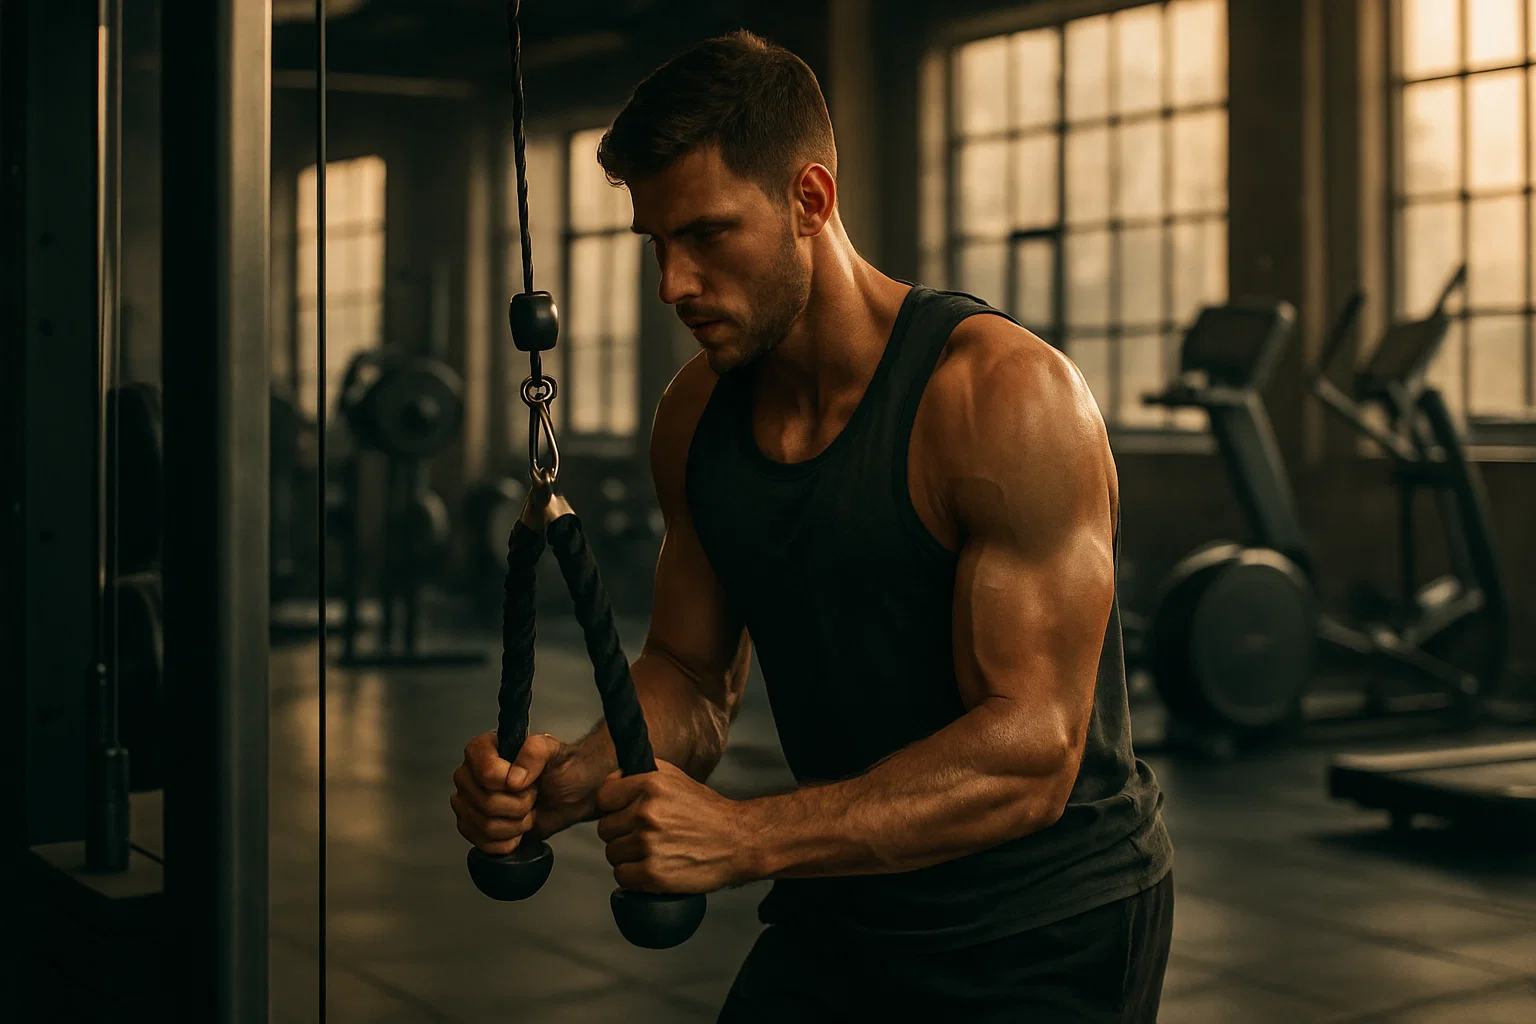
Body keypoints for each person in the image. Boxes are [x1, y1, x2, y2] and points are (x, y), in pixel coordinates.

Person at [451, 29, 1173, 1022]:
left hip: (1042, 922)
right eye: (657, 243)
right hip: (844, 893)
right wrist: (572, 777)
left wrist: (745, 838)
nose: (672, 284)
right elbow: (691, 677)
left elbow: (1032, 752)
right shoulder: (696, 416)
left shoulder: (1001, 397)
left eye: (707, 235)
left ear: (810, 199)